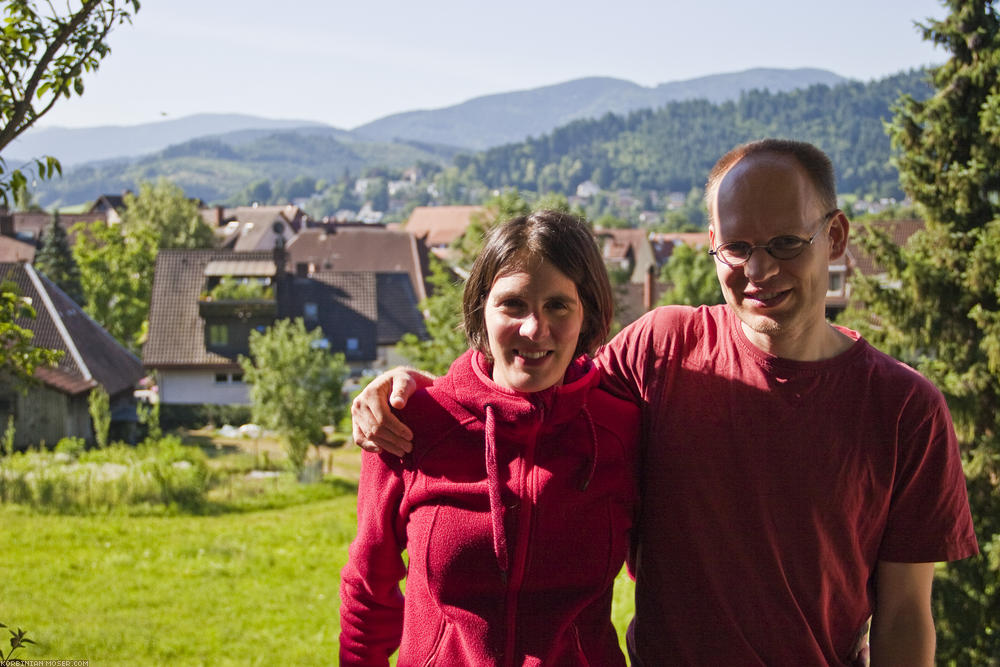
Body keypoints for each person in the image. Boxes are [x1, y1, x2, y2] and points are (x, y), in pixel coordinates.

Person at [353, 139, 978, 665]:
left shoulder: (904, 409)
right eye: (737, 247)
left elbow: (903, 616)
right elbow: (536, 385)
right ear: (713, 244)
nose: (759, 269)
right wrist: (419, 391)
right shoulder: (662, 348)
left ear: (835, 236)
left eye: (786, 243)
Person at [338, 210, 640, 665]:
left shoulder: (621, 430)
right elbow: (368, 588)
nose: (534, 329)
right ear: (481, 307)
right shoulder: (409, 423)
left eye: (558, 305)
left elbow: (667, 585)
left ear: (588, 314)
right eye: (513, 304)